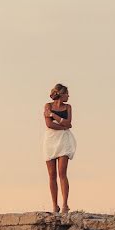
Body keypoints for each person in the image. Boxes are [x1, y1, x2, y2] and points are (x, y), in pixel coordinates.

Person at [43, 83, 76, 213]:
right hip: (50, 140)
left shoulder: (68, 107)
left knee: (62, 173)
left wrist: (55, 116)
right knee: (52, 175)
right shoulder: (48, 106)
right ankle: (54, 205)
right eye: (67, 93)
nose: (68, 96)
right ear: (61, 94)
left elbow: (69, 123)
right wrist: (63, 125)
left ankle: (65, 205)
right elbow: (49, 124)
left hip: (64, 140)